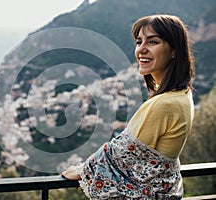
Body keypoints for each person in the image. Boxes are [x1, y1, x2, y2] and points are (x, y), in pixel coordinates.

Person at [61, 14, 195, 199]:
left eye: (153, 42)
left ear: (174, 51)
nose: (141, 49)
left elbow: (122, 154)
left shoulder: (165, 104)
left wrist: (85, 170)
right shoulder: (182, 95)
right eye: (139, 42)